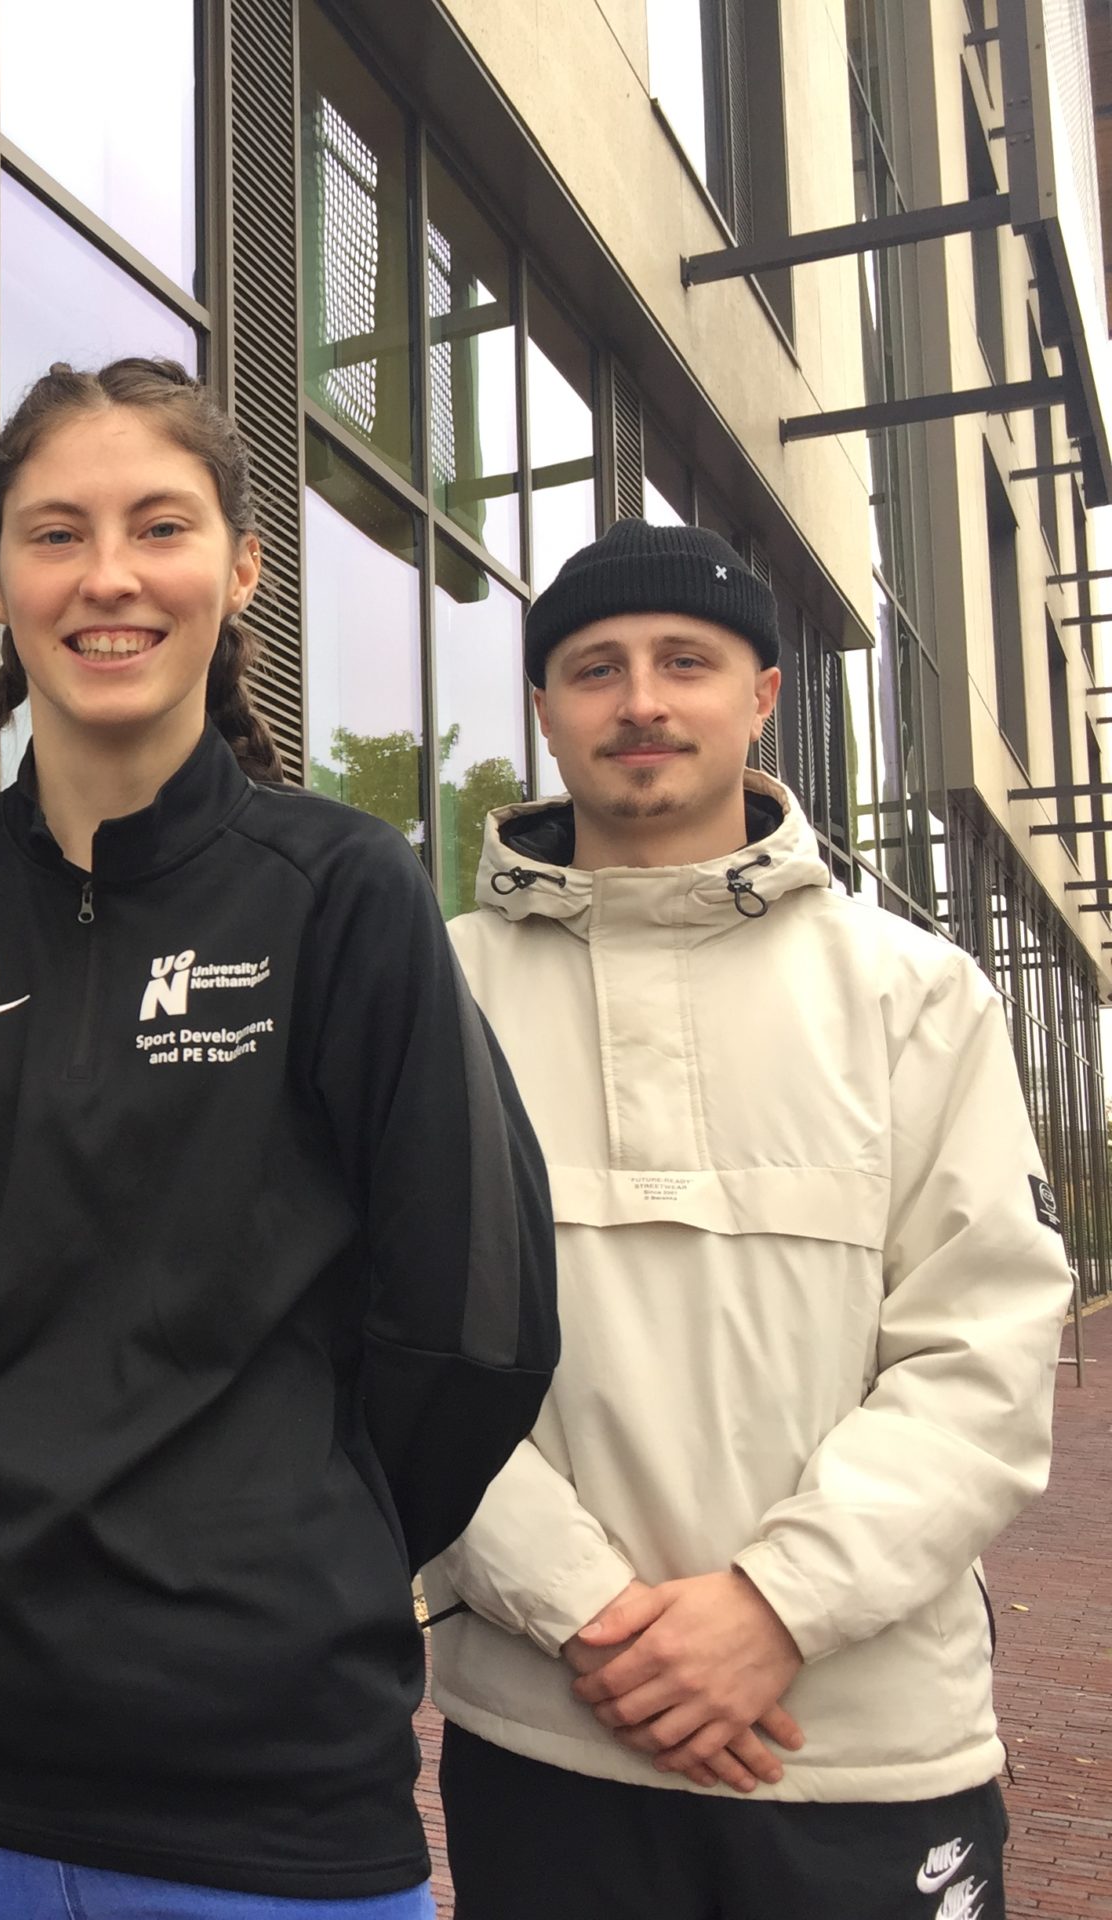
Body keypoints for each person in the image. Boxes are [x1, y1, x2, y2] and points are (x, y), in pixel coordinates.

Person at [0, 357, 558, 1918]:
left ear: (241, 565)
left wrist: (285, 1542)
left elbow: (472, 1329)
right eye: (57, 534)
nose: (110, 576)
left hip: (264, 1787)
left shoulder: (346, 897)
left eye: (160, 524)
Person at [425, 519, 1068, 1920]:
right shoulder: (435, 992)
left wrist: (773, 1608)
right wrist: (591, 1616)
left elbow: (986, 1355)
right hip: (546, 1739)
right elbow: (388, 1344)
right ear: (542, 707)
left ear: (762, 695)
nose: (640, 699)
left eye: (685, 661)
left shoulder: (919, 994)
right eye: (593, 668)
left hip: (866, 1755)